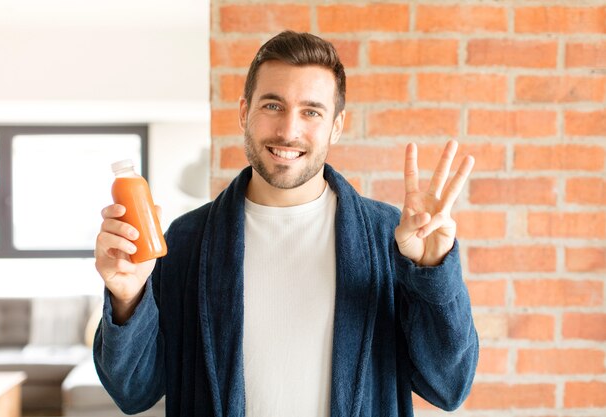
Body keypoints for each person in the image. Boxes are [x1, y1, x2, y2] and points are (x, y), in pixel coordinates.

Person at [93, 30, 478, 417]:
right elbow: (133, 392)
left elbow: (449, 387)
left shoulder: (389, 238)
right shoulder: (188, 239)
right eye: (273, 106)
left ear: (337, 126)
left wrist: (433, 274)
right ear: (245, 112)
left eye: (311, 111)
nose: (289, 130)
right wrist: (128, 298)